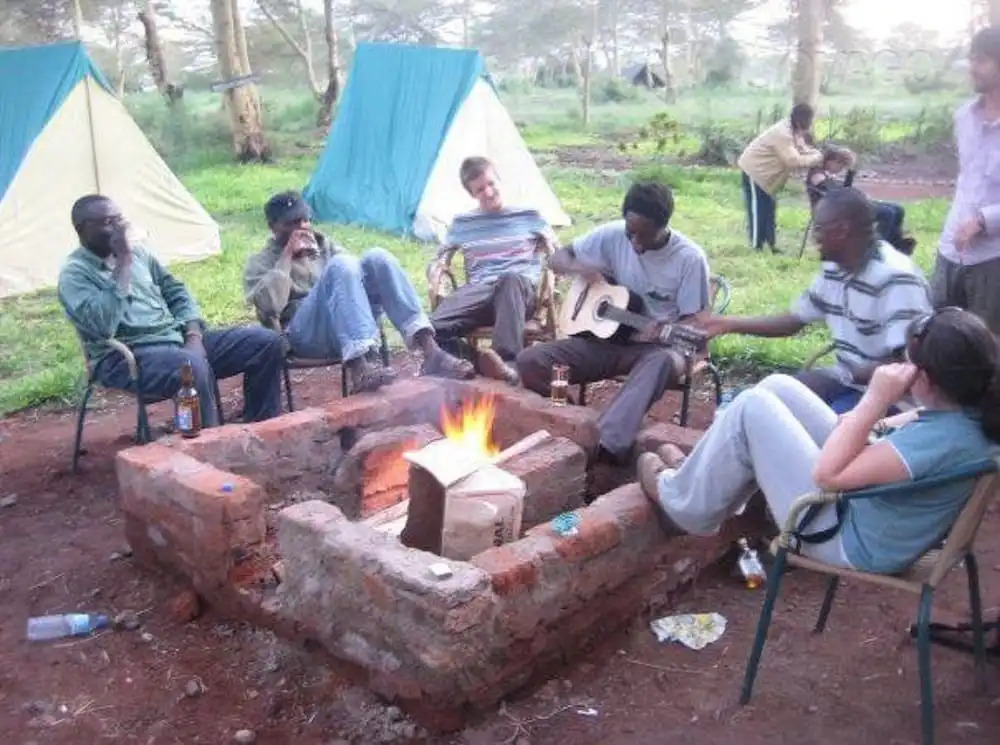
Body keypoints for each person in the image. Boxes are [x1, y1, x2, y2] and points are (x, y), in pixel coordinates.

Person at [638, 307, 1000, 573]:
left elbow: (828, 476)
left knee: (751, 406)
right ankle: (698, 483)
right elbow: (907, 423)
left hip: (844, 538)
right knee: (777, 386)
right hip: (865, 514)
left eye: (907, 362)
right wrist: (866, 422)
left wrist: (874, 401)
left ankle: (684, 505)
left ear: (927, 380)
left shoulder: (941, 440)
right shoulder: (967, 416)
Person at [516, 181, 711, 463]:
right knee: (531, 362)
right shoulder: (613, 234)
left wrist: (661, 332)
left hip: (658, 350)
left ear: (664, 225)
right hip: (606, 341)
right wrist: (583, 269)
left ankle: (604, 444)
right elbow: (558, 258)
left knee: (662, 362)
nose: (636, 243)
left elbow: (697, 325)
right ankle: (575, 420)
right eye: (631, 233)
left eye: (645, 236)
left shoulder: (689, 259)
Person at [699, 187, 932, 414]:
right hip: (847, 380)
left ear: (842, 230)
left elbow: (908, 366)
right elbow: (795, 320)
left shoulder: (896, 279)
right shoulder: (836, 268)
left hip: (893, 398)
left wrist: (852, 373)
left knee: (822, 426)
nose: (814, 238)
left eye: (818, 228)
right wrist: (727, 324)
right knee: (762, 398)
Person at [58, 195, 284, 426]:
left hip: (176, 340)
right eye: (109, 222)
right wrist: (123, 263)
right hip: (125, 358)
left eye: (120, 219)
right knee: (189, 368)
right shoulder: (75, 274)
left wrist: (193, 336)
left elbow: (177, 292)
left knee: (265, 342)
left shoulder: (140, 254)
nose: (120, 229)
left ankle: (262, 428)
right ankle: (206, 440)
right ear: (83, 229)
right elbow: (102, 326)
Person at [244, 192, 473, 395]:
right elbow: (268, 306)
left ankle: (431, 350)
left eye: (305, 219)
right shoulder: (261, 262)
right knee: (341, 264)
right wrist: (286, 256)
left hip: (344, 324)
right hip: (304, 334)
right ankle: (359, 367)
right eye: (293, 223)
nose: (303, 227)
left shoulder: (323, 245)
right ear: (273, 227)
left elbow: (354, 275)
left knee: (377, 257)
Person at [428, 157, 559, 384]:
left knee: (510, 279)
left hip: (517, 294)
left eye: (491, 183)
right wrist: (436, 272)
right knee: (429, 329)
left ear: (499, 179)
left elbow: (556, 251)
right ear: (472, 194)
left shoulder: (529, 216)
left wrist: (551, 259)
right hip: (479, 292)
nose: (488, 192)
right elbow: (437, 260)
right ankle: (479, 362)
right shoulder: (463, 223)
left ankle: (508, 364)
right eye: (480, 190)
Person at [933, 26, 1000, 334]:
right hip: (951, 251)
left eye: (982, 60)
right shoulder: (964, 117)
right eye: (972, 59)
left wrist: (983, 221)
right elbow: (968, 180)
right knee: (941, 341)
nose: (973, 68)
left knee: (989, 346)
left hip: (993, 258)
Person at [738, 103, 853, 252]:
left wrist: (815, 155)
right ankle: (756, 247)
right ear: (800, 120)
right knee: (758, 208)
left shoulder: (794, 131)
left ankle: (771, 244)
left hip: (769, 175)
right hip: (755, 170)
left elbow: (803, 149)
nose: (810, 125)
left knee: (769, 209)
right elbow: (793, 161)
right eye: (809, 121)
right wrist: (818, 158)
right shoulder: (782, 134)